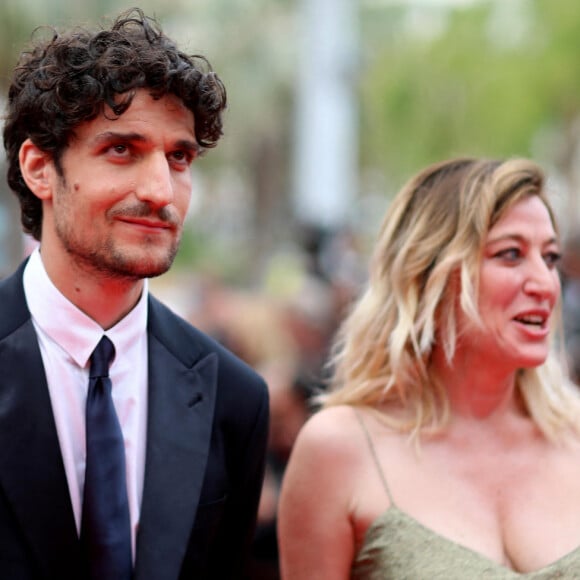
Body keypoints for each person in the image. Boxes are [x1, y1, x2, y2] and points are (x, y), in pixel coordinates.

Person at [0, 7, 269, 580]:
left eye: (180, 157)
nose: (159, 190)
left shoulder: (234, 398)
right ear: (39, 167)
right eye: (122, 149)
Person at [278, 157, 580, 579]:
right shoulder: (340, 449)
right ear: (431, 274)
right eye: (510, 255)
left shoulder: (573, 435)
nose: (545, 284)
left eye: (549, 258)